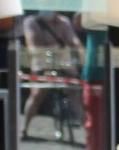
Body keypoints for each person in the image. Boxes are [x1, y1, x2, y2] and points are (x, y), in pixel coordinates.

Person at [20, 10, 83, 140]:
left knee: (73, 93)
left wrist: (79, 50)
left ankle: (87, 131)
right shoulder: (31, 22)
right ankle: (24, 129)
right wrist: (43, 51)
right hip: (42, 62)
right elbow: (32, 43)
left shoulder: (64, 22)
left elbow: (73, 40)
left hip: (63, 62)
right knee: (37, 94)